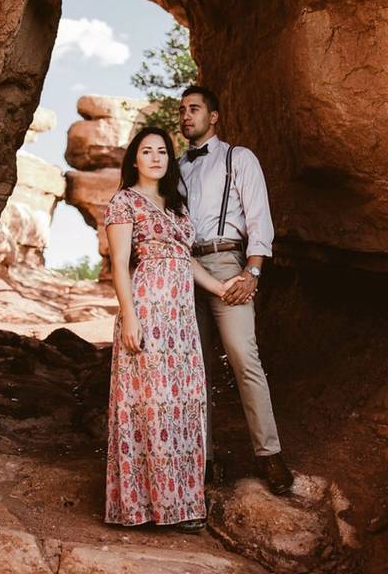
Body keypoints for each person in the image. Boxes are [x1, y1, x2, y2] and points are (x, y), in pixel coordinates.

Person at [104, 126, 242, 532]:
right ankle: (144, 507)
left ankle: (181, 505)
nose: (155, 157)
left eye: (162, 151)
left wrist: (219, 286)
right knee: (150, 406)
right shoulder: (124, 202)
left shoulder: (177, 206)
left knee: (183, 406)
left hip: (181, 323)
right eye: (146, 151)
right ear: (134, 160)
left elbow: (186, 259)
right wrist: (129, 315)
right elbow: (120, 264)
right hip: (148, 311)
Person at [177, 85, 295, 495]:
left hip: (229, 264)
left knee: (245, 358)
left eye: (194, 109)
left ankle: (270, 455)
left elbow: (259, 218)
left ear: (214, 117)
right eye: (182, 110)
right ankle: (203, 461)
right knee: (196, 368)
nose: (185, 116)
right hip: (185, 270)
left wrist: (253, 272)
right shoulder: (175, 168)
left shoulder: (238, 158)